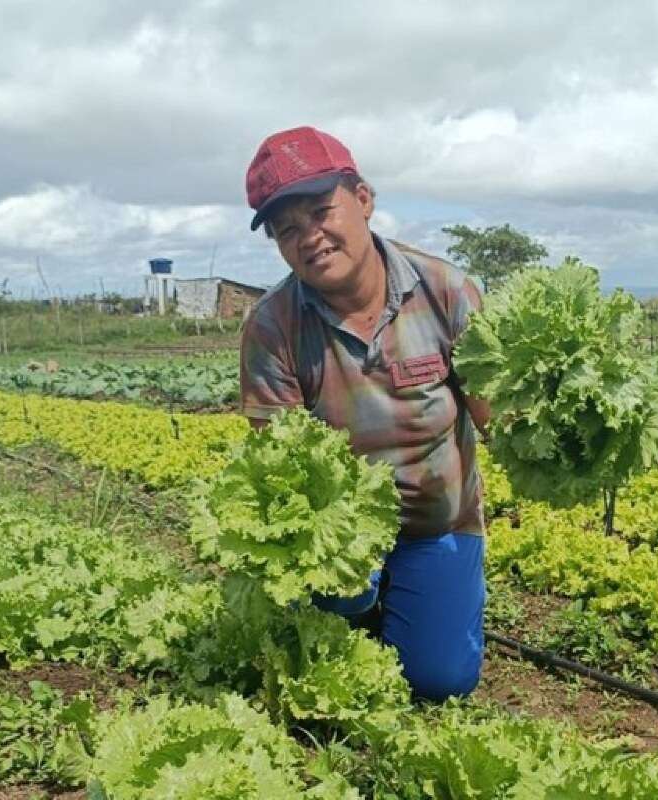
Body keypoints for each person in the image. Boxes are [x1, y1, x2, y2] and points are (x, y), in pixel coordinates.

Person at [239, 125, 490, 701]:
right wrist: (332, 548)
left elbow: (496, 416)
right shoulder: (273, 326)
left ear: (363, 199)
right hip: (343, 537)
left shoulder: (446, 291)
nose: (311, 238)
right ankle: (359, 602)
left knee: (440, 681)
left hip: (438, 525)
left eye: (322, 212)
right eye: (288, 230)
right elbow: (279, 469)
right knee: (336, 626)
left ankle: (428, 599)